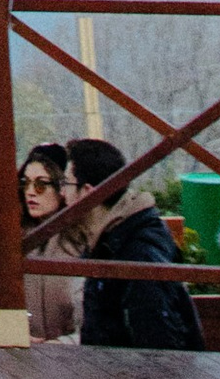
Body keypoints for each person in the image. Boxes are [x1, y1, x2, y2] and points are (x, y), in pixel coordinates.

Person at [68, 137, 206, 350]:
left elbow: (158, 347)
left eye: (65, 184)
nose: (60, 192)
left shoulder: (138, 252)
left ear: (87, 192)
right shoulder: (111, 239)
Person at [0, 143, 84, 341]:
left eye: (41, 184)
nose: (30, 192)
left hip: (74, 361)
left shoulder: (82, 240)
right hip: (20, 358)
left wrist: (63, 344)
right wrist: (10, 336)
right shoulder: (10, 238)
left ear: (63, 188)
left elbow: (98, 326)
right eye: (25, 183)